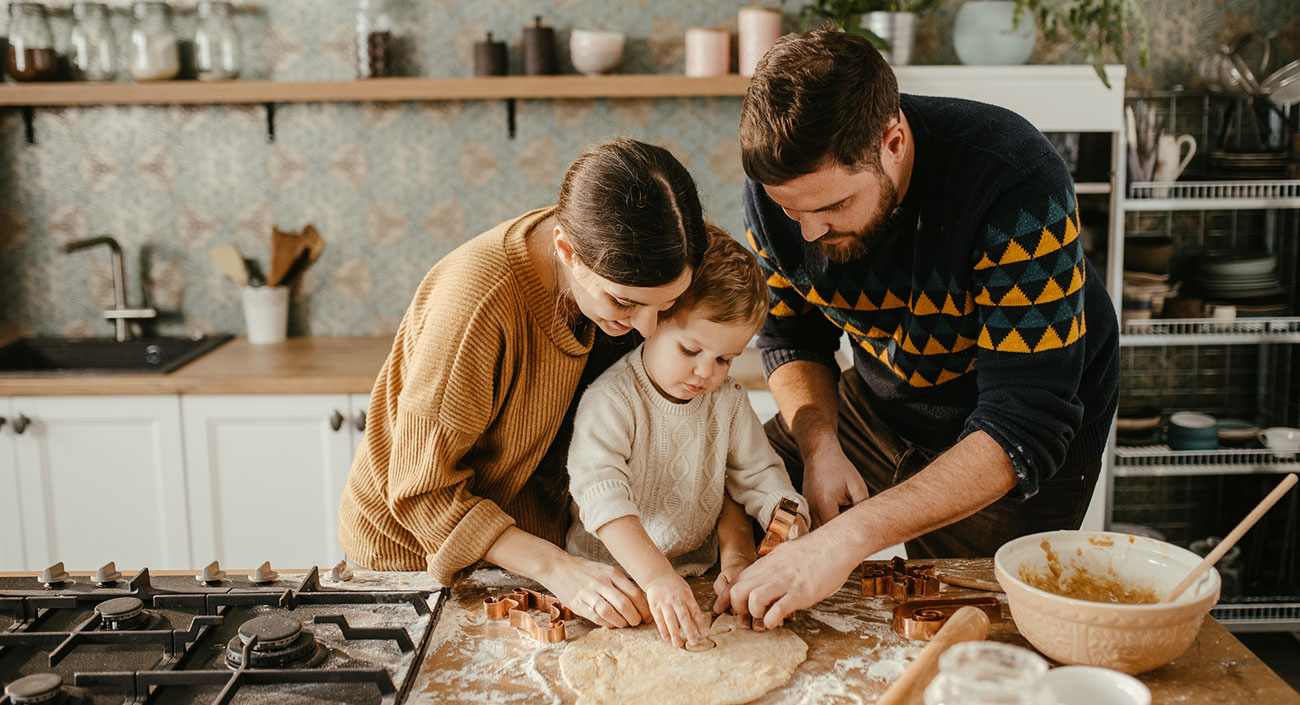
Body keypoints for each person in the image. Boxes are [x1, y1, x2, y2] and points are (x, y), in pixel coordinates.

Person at [718, 30, 1120, 630]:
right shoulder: (783, 188)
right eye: (791, 211)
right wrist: (820, 445)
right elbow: (792, 338)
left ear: (894, 141)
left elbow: (1022, 424)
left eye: (832, 209)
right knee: (727, 497)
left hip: (1018, 434)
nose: (807, 233)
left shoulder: (1015, 179)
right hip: (880, 400)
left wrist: (846, 539)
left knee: (962, 636)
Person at [338, 138, 712, 631]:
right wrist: (558, 568)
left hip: (522, 558)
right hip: (408, 562)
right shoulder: (478, 303)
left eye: (664, 306)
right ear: (566, 251)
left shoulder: (632, 255)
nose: (646, 328)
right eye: (625, 304)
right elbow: (419, 490)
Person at [564, 229, 811, 648]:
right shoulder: (610, 400)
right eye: (691, 351)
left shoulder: (728, 401)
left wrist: (787, 522)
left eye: (724, 359)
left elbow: (760, 476)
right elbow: (600, 497)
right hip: (611, 582)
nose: (706, 373)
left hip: (696, 577)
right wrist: (657, 576)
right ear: (655, 320)